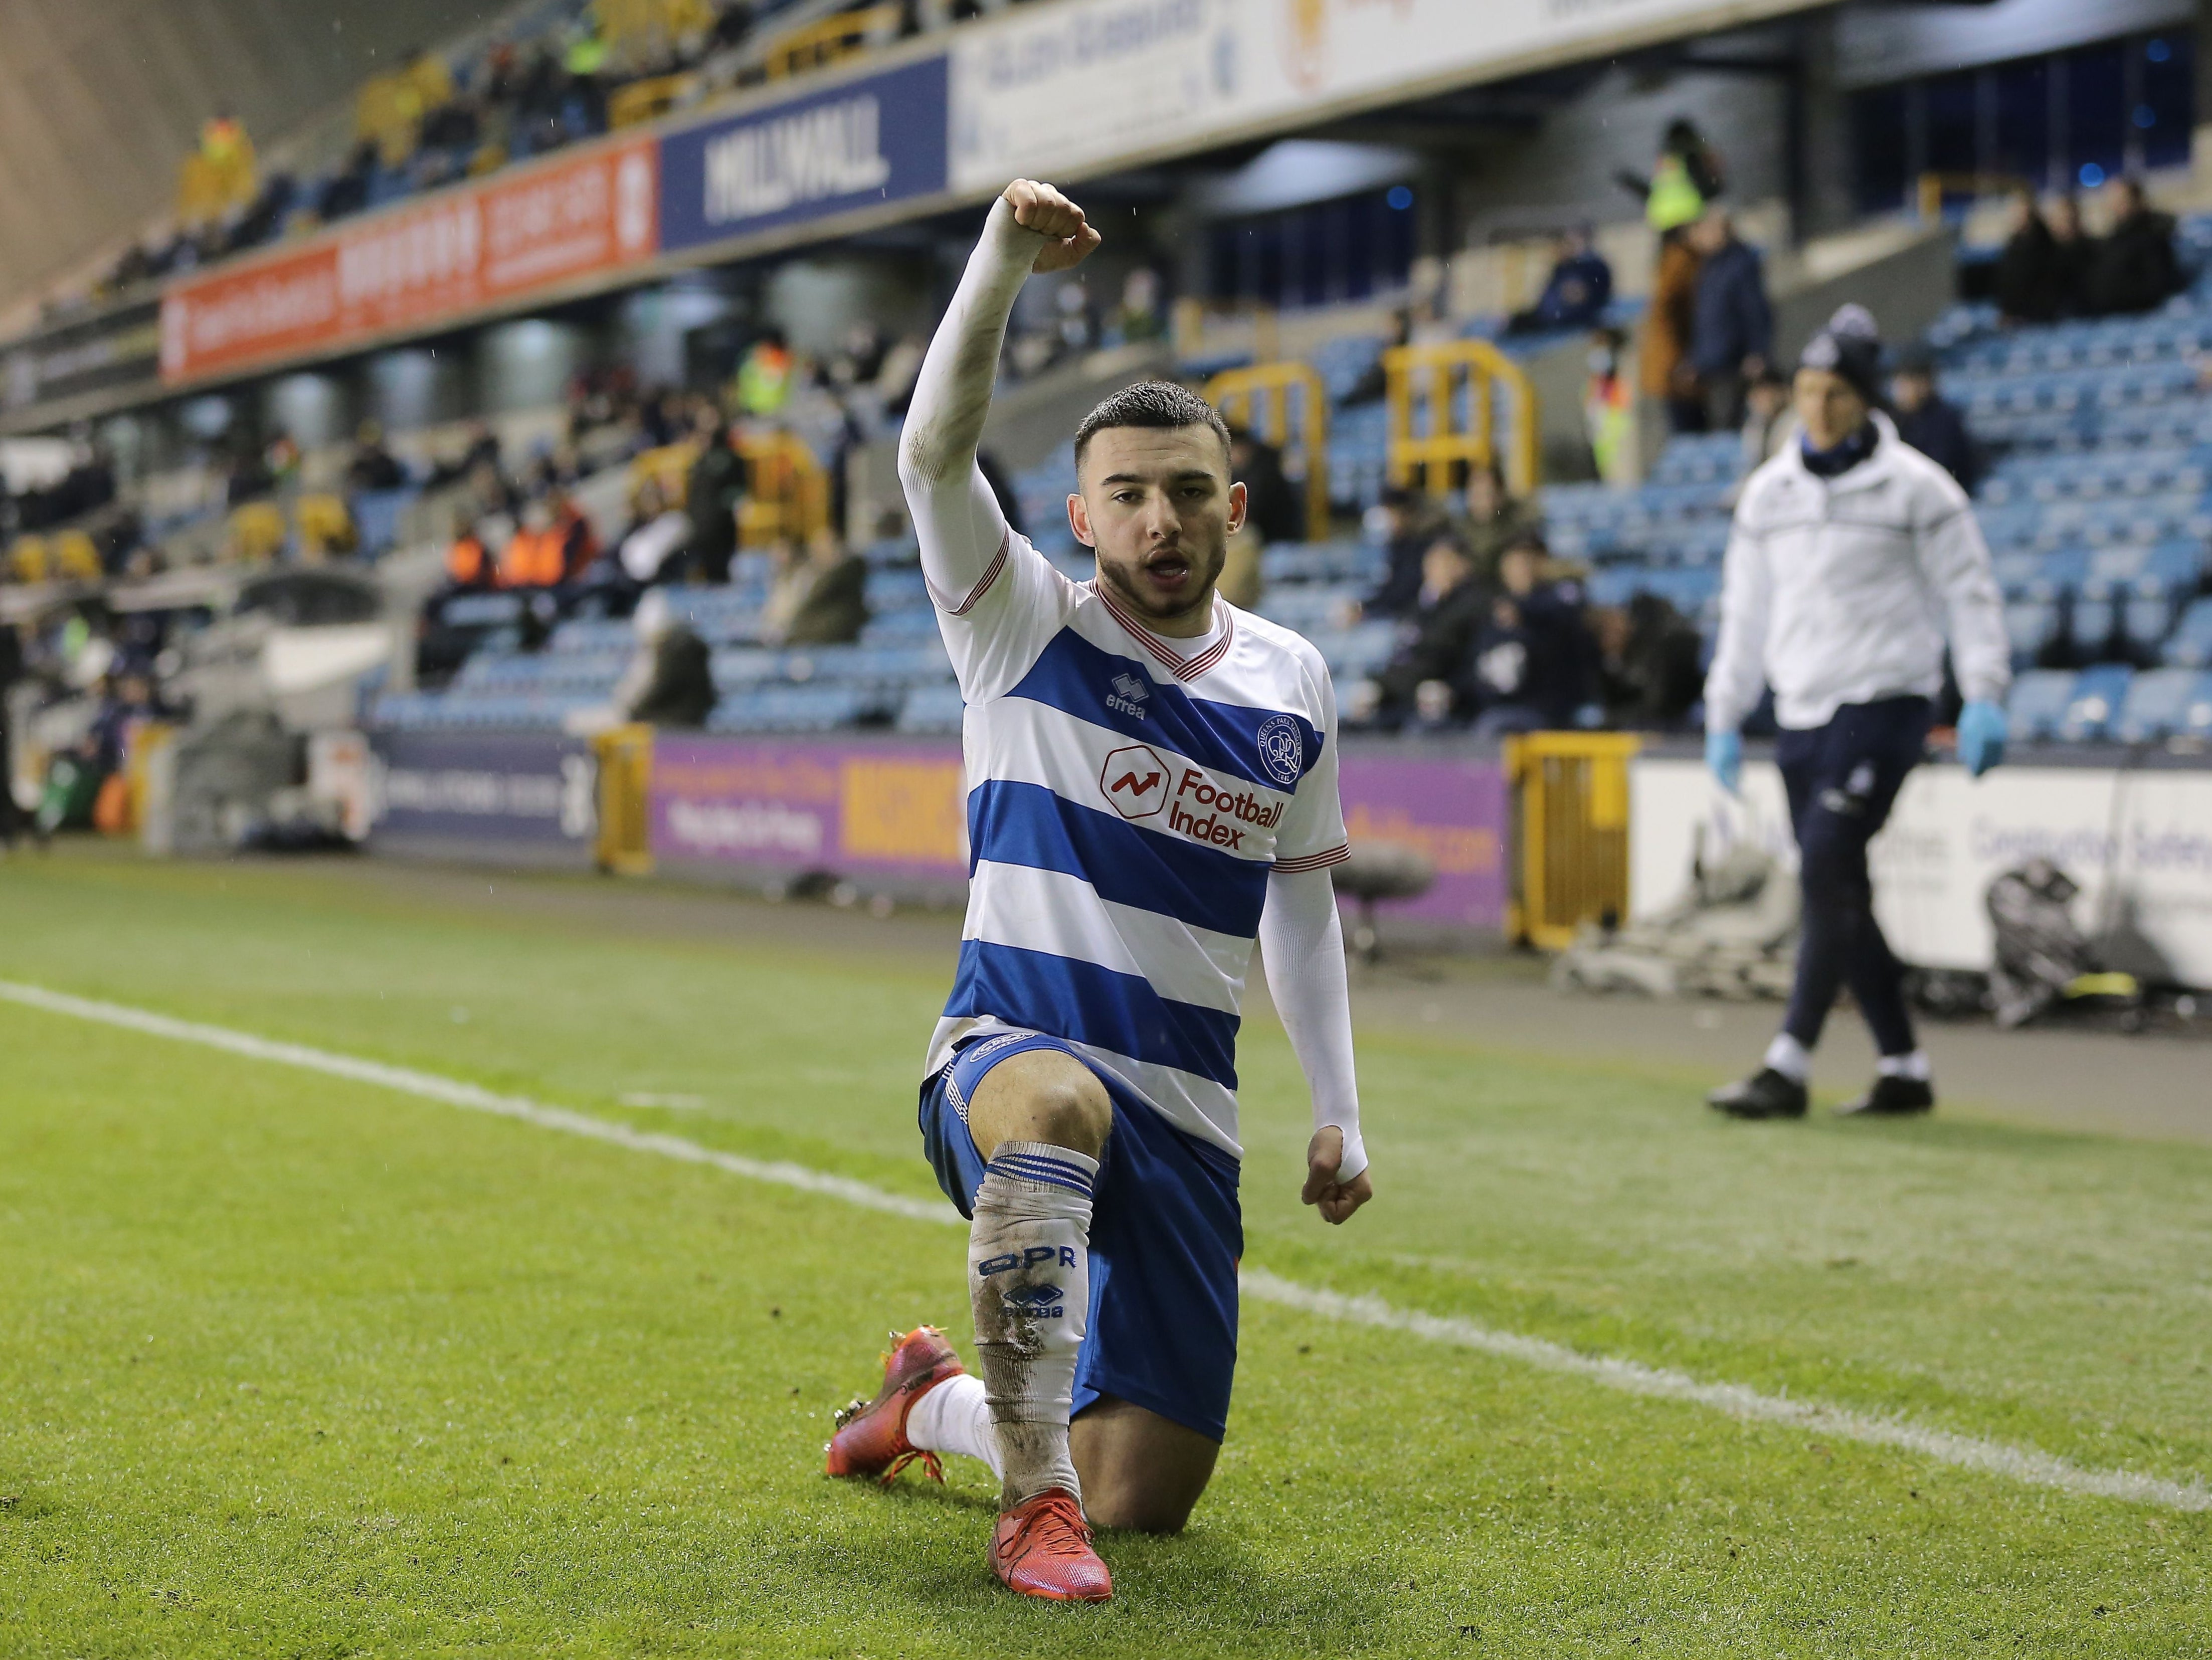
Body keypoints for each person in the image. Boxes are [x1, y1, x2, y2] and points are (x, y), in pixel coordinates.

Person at [825, 180, 1369, 1603]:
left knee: (1149, 1492)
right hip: (1006, 1063)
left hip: (1186, 1112)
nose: (1160, 517)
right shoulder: (1020, 626)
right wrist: (1000, 261)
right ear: (1079, 515)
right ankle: (1025, 1508)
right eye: (1125, 492)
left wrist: (1336, 1109)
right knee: (1057, 1102)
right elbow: (931, 452)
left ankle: (927, 1398)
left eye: (1188, 490)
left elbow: (1298, 906)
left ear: (1233, 507)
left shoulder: (1290, 680)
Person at [1703, 306, 2010, 1122]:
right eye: (1806, 390)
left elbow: (1969, 597)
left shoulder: (1918, 489)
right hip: (1800, 710)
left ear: (1865, 398)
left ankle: (1788, 1061)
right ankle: (1903, 1066)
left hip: (1886, 703)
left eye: (1834, 392)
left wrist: (1982, 694)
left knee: (1825, 865)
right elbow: (1744, 611)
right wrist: (1724, 712)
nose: (1817, 407)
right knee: (1841, 883)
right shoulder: (1768, 494)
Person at [1461, 535, 1601, 736]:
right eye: (1514, 564)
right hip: (1495, 707)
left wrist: (1524, 612)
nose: (1521, 570)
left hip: (1546, 709)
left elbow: (1565, 616)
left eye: (1527, 563)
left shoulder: (1560, 598)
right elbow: (1476, 663)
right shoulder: (1492, 612)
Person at [1362, 529, 1490, 727]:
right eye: (1431, 563)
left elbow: (1457, 656)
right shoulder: (1421, 606)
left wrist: (1451, 689)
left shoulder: (1476, 605)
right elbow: (1405, 654)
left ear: (1464, 565)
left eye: (1444, 562)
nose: (1435, 570)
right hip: (1406, 694)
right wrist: (1379, 684)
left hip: (1454, 702)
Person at [1686, 207, 1771, 431]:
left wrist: (1757, 352)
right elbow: (1704, 320)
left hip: (1732, 363)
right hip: (1712, 364)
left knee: (1729, 426)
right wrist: (1696, 359)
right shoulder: (1709, 267)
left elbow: (1755, 311)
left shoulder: (1740, 264)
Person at [1594, 592, 1703, 730]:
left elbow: (1659, 704)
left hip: (1680, 727)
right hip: (1664, 721)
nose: (1609, 639)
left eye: (1614, 630)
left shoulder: (1663, 644)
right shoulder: (1625, 655)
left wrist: (1612, 720)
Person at [615, 590, 715, 729]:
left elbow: (654, 690)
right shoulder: (680, 647)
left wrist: (629, 708)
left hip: (676, 722)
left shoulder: (677, 650)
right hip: (681, 718)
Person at [1889, 344, 1980, 494]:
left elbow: (1938, 468)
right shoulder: (1893, 417)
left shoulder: (1945, 419)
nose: (1904, 389)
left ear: (1927, 383)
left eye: (1910, 381)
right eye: (1901, 382)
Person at [2086, 178, 2182, 318]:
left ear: (2137, 200)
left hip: (2140, 316)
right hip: (2108, 316)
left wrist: (2117, 296)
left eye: (2121, 200)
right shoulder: (2112, 241)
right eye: (2112, 200)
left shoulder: (2153, 236)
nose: (2115, 205)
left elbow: (2155, 285)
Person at [1642, 227, 1705, 434]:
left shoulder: (1679, 259)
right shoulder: (1680, 261)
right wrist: (1681, 363)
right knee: (1688, 437)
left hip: (1678, 368)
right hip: (1678, 372)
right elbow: (1666, 316)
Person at [1356, 485, 1450, 619]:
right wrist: (1363, 607)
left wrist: (1365, 609)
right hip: (1403, 613)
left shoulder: (1429, 540)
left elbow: (1406, 589)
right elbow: (1392, 586)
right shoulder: (1400, 542)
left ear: (1405, 513)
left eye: (1391, 514)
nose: (1388, 521)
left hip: (1419, 616)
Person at [762, 531, 869, 647]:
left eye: (824, 548)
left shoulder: (840, 579)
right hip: (799, 637)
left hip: (824, 640)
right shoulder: (789, 579)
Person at [1508, 228, 1613, 335]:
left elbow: (1583, 301)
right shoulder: (1562, 268)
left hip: (1569, 321)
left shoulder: (1589, 268)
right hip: (1551, 319)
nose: (1555, 252)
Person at [1456, 457, 1541, 587]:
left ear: (1500, 494)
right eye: (1476, 494)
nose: (1481, 501)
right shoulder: (1459, 527)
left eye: (1487, 494)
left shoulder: (1518, 525)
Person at [682, 412, 744, 584]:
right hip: (701, 529)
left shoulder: (728, 460)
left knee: (719, 574)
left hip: (719, 530)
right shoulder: (699, 463)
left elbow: (737, 493)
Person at [1993, 188, 2066, 324]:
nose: (2018, 215)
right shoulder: (2013, 244)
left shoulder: (2045, 245)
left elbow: (2049, 285)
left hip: (2038, 319)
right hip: (2015, 318)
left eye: (2021, 210)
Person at [345, 421, 407, 492]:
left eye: (373, 447)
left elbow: (399, 488)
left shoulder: (388, 465)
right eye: (366, 446)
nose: (369, 449)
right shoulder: (358, 467)